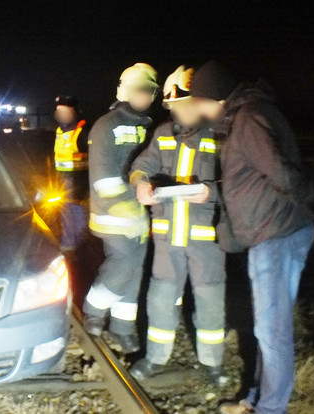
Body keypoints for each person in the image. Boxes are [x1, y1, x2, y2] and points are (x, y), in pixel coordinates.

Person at [187, 61, 314, 414]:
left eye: (199, 101)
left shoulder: (248, 119)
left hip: (277, 233)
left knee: (272, 331)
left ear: (215, 97)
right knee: (266, 327)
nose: (197, 109)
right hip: (270, 232)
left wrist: (304, 200)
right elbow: (248, 176)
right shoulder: (243, 118)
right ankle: (256, 400)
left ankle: (269, 409)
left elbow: (278, 171)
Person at [127, 66, 229, 386]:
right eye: (173, 107)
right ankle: (155, 358)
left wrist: (211, 191)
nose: (179, 112)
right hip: (167, 236)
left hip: (207, 238)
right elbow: (140, 167)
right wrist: (140, 185)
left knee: (210, 300)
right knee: (160, 297)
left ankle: (213, 362)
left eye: (185, 105)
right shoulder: (162, 134)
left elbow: (240, 182)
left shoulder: (223, 135)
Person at [82, 63, 158, 353]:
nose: (145, 96)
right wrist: (126, 210)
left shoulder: (147, 127)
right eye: (140, 89)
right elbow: (103, 176)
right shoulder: (106, 125)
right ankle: (93, 310)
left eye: (150, 91)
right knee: (123, 265)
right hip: (111, 215)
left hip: (139, 216)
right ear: (125, 90)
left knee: (135, 271)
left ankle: (123, 328)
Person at [52, 95, 89, 251]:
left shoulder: (82, 131)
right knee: (66, 214)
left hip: (79, 183)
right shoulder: (60, 130)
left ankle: (77, 245)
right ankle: (69, 244)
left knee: (78, 215)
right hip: (62, 182)